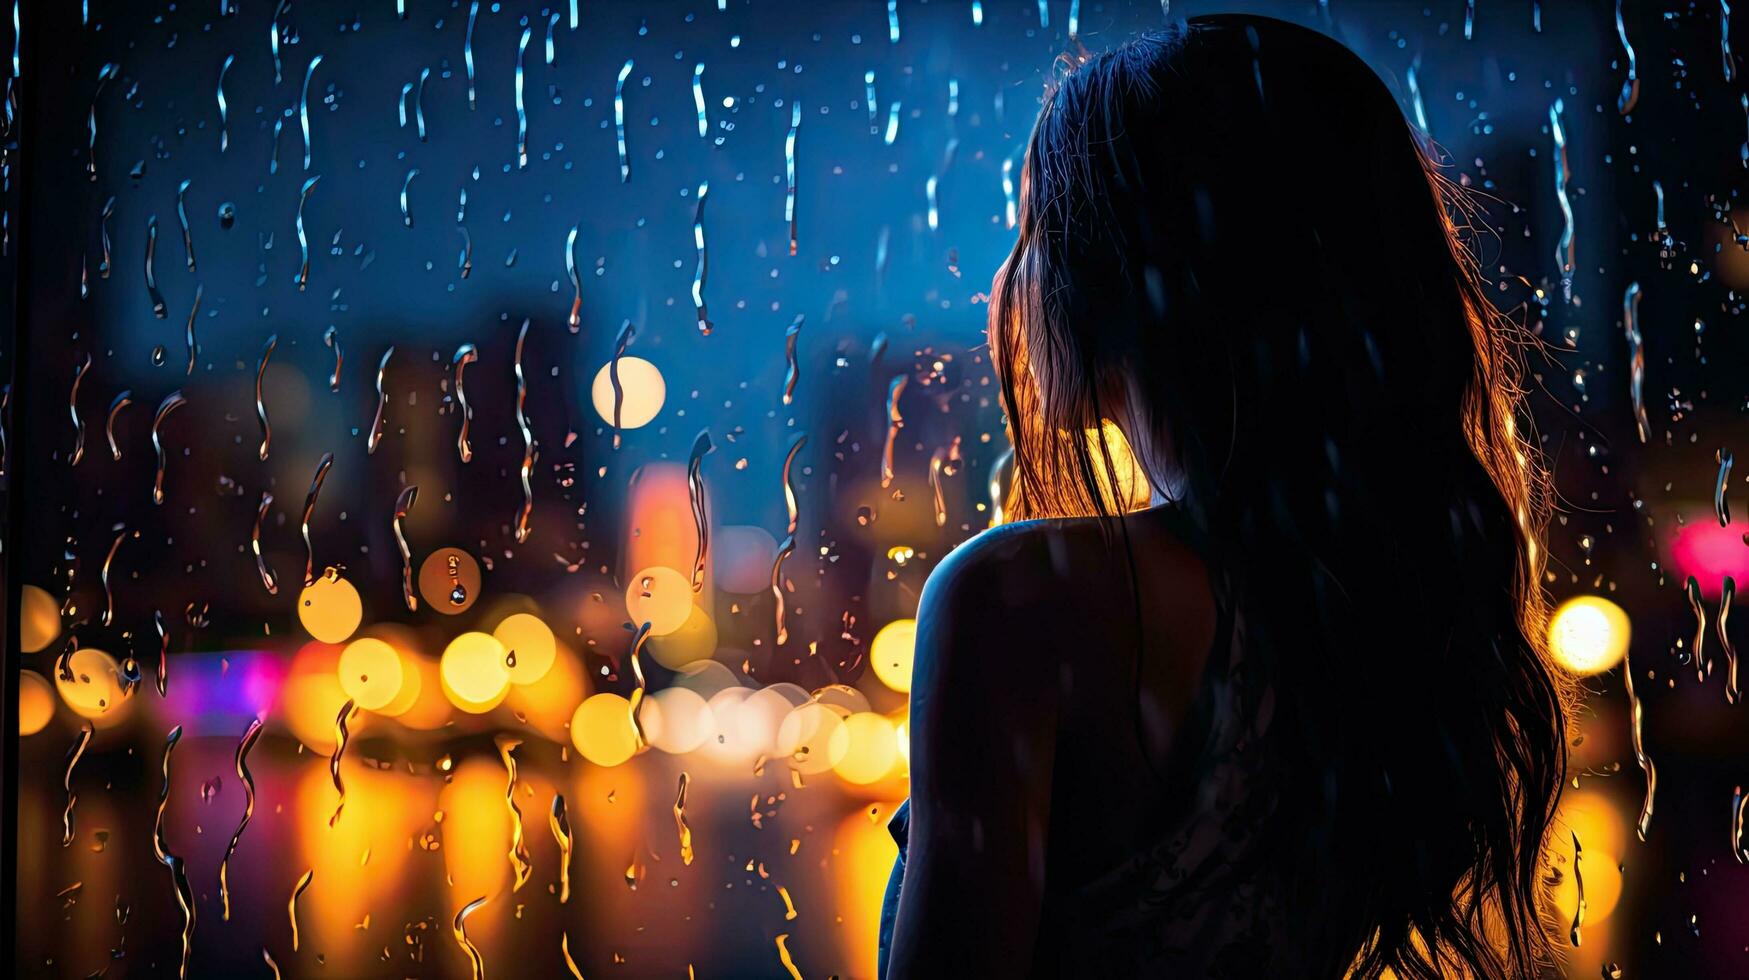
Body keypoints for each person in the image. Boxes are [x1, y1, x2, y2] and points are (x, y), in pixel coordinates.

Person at [879, 14, 1573, 979]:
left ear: (1127, 266)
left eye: (1034, 228)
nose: (1003, 282)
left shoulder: (1020, 598)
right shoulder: (1375, 610)